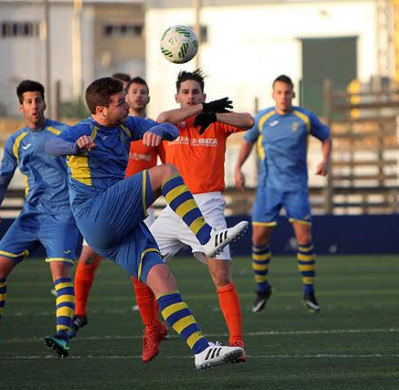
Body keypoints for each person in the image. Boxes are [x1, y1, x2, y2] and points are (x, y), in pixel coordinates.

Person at [45, 77, 247, 370]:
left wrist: (157, 133)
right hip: (95, 213)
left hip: (116, 225)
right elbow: (52, 146)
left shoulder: (127, 124)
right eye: (120, 102)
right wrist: (73, 146)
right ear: (101, 110)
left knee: (162, 279)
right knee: (165, 173)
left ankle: (201, 349)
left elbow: (166, 128)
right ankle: (207, 236)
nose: (127, 104)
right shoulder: (85, 129)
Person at [148, 69, 254, 362]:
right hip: (174, 206)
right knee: (142, 263)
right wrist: (201, 110)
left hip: (207, 206)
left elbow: (248, 120)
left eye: (196, 92)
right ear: (177, 97)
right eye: (186, 93)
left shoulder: (216, 124)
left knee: (220, 275)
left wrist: (215, 116)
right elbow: (161, 119)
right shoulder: (170, 125)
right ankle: (153, 328)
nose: (190, 96)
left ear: (203, 95)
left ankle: (237, 342)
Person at [69, 76, 170, 363]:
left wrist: (165, 128)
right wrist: (73, 146)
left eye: (140, 93)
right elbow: (60, 146)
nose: (135, 97)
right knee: (87, 258)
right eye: (130, 93)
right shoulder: (94, 129)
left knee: (143, 270)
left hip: (137, 205)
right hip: (102, 206)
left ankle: (152, 328)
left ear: (147, 97)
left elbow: (168, 150)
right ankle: (79, 312)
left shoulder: (141, 127)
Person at [234, 74, 332, 314]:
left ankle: (309, 292)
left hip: (296, 188)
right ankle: (262, 288)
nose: (283, 97)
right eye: (279, 92)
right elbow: (247, 140)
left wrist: (325, 161)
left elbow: (326, 136)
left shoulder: (304, 118)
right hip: (268, 188)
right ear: (273, 94)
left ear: (293, 94)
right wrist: (238, 168)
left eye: (287, 92)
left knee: (304, 239)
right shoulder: (263, 118)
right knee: (258, 239)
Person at [0, 80, 81, 357]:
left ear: (45, 103)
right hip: (29, 217)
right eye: (29, 102)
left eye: (38, 100)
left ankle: (62, 336)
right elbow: (3, 179)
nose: (35, 106)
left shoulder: (63, 133)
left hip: (62, 216)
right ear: (21, 107)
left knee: (59, 272)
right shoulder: (15, 141)